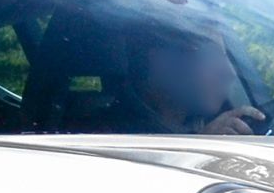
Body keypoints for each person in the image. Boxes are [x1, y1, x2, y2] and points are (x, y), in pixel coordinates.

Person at [113, 19, 266, 135]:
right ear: (161, 62)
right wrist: (205, 146)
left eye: (225, 57)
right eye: (210, 55)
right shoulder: (111, 135)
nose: (230, 73)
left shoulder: (214, 124)